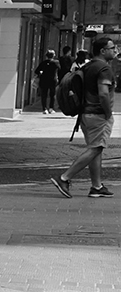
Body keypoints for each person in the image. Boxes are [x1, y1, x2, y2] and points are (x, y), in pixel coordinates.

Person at [50, 34, 114, 199]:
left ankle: (97, 186)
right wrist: (108, 113)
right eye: (112, 48)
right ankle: (64, 178)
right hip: (98, 115)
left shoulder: (88, 66)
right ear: (103, 50)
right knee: (96, 148)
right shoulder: (104, 68)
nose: (115, 51)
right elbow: (103, 94)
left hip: (85, 114)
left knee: (95, 149)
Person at [34, 49, 59, 115]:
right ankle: (51, 108)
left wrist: (41, 72)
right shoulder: (56, 63)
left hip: (44, 80)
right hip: (52, 80)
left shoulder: (43, 63)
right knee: (52, 94)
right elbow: (60, 69)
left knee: (44, 94)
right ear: (53, 55)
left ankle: (44, 109)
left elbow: (36, 71)